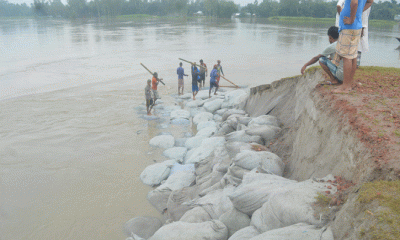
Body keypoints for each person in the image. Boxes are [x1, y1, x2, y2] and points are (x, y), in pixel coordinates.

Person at [332, 0, 374, 93]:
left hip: (349, 27)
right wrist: (359, 11)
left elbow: (354, 3)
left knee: (347, 57)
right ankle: (348, 84)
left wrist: (351, 18)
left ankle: (346, 86)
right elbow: (370, 1)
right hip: (356, 26)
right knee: (353, 56)